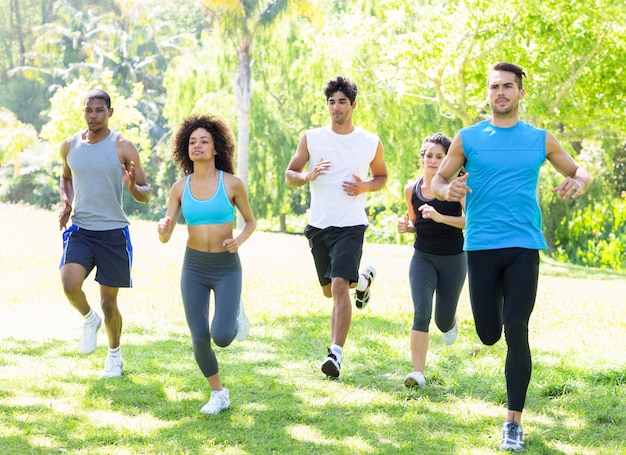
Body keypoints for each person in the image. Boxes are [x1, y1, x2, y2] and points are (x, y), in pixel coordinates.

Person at [431, 62, 590, 452]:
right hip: (482, 246)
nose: (500, 92)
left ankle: (513, 423)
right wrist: (445, 190)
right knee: (489, 334)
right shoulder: (467, 138)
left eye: (507, 86)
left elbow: (578, 170)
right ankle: (485, 311)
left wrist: (579, 181)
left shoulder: (540, 139)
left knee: (516, 328)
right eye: (494, 87)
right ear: (487, 94)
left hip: (523, 246)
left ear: (521, 93)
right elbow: (435, 180)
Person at [285, 75, 387, 379]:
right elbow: (290, 174)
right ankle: (364, 281)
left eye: (342, 101)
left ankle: (335, 356)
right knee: (330, 291)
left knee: (341, 286)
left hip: (351, 224)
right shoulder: (312, 138)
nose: (336, 107)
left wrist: (364, 187)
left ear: (353, 105)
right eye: (331, 102)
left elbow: (381, 177)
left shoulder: (370, 142)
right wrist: (308, 176)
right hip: (318, 225)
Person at [157, 114, 256, 415]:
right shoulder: (179, 188)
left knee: (222, 337)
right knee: (200, 337)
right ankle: (219, 393)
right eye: (192, 142)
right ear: (184, 149)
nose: (197, 146)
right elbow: (167, 234)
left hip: (227, 267)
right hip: (194, 268)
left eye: (204, 141)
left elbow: (251, 222)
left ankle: (234, 309)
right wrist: (163, 229)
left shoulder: (232, 184)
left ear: (216, 148)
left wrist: (239, 239)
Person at [58, 88, 151, 378]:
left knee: (109, 303)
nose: (93, 115)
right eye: (88, 110)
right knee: (69, 282)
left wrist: (134, 188)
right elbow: (66, 176)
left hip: (113, 233)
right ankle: (88, 319)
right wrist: (67, 201)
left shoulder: (123, 146)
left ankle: (114, 356)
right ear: (83, 112)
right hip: (81, 230)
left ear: (110, 113)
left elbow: (146, 193)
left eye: (99, 110)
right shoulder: (70, 145)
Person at [397, 133, 466, 390]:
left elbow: (472, 222)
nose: (433, 160)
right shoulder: (411, 189)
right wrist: (408, 227)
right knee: (421, 312)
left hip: (454, 260)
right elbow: (417, 222)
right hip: (422, 258)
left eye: (439, 156)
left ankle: (450, 322)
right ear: (422, 157)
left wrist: (440, 217)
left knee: (442, 320)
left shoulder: (458, 187)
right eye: (428, 155)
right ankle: (418, 374)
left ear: (448, 159)